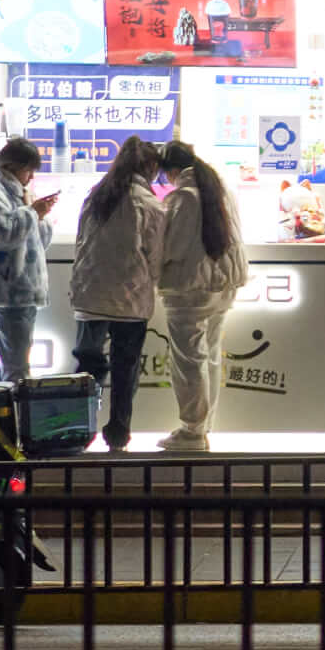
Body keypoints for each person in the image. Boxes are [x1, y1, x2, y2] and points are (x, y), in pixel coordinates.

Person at [67, 135, 165, 451]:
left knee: (87, 368)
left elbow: (80, 243)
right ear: (150, 168)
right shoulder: (148, 203)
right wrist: (151, 282)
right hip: (130, 301)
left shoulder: (97, 195)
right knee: (125, 370)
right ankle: (118, 436)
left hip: (91, 297)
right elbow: (156, 256)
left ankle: (78, 432)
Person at [153, 139, 249, 453]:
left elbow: (174, 247)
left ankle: (192, 431)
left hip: (190, 288)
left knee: (189, 361)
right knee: (210, 355)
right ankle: (203, 427)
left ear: (171, 171)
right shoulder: (220, 188)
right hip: (223, 284)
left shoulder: (184, 196)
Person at [0, 137, 51, 385]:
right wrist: (32, 212)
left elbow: (38, 240)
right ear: (13, 166)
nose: (31, 177)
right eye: (29, 170)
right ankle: (14, 406)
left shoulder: (18, 192)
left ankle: (8, 403)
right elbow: (2, 234)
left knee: (14, 361)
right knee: (17, 365)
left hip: (20, 292)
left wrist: (38, 215)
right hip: (9, 291)